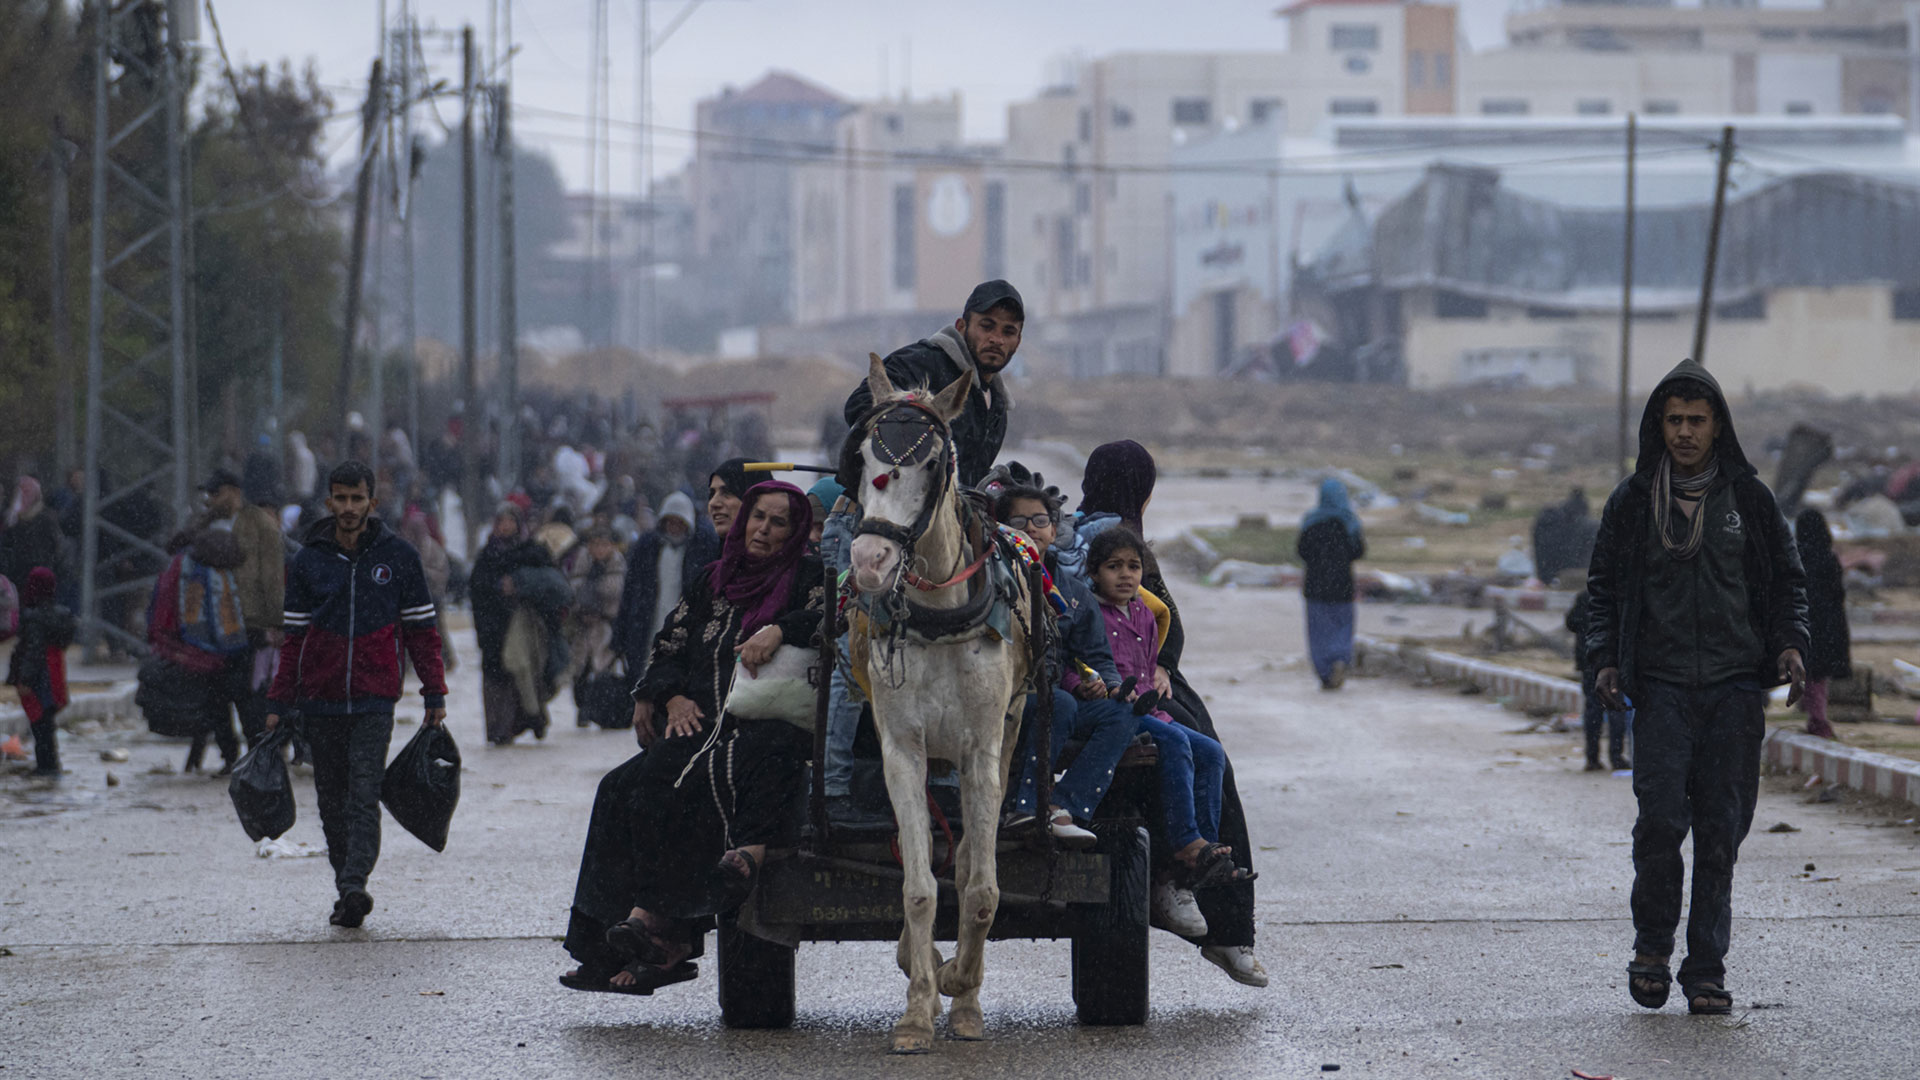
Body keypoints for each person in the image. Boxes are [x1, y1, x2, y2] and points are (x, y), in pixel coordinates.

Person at [1585, 359, 1809, 1017]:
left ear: (1718, 427)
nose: (1684, 432)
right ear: (1661, 423)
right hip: (1660, 691)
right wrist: (1604, 659)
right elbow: (1604, 590)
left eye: (1697, 420)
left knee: (1719, 834)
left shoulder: (1751, 501)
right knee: (1659, 823)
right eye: (1674, 420)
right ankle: (1652, 948)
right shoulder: (1632, 502)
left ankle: (1705, 969)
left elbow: (1789, 584)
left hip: (1736, 691)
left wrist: (1792, 645)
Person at [560, 482, 822, 994]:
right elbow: (668, 645)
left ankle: (662, 933)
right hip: (699, 722)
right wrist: (670, 695)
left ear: (794, 534)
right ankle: (599, 949)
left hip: (760, 727)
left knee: (668, 782)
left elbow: (832, 621)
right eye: (758, 518)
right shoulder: (713, 580)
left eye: (778, 523)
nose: (764, 531)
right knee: (615, 789)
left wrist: (782, 630)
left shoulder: (810, 579)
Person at [1063, 439, 1268, 988]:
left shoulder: (1078, 529)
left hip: (1135, 674)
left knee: (1192, 743)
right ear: (1142, 489)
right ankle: (1221, 923)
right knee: (1204, 752)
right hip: (1116, 682)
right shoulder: (1114, 539)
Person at [266, 461, 448, 930]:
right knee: (330, 798)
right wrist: (278, 702)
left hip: (374, 699)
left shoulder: (399, 558)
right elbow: (294, 640)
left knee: (363, 794)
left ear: (372, 501)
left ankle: (354, 884)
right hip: (319, 701)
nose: (348, 507)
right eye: (340, 498)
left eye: (356, 498)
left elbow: (422, 631)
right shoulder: (307, 561)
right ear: (329, 502)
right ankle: (345, 885)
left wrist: (434, 692)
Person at [1084, 526, 1252, 896]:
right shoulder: (1088, 613)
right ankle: (1185, 840)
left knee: (1210, 751)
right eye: (1114, 566)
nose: (1126, 575)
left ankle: (1204, 849)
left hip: (1149, 710)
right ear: (1094, 571)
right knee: (1176, 742)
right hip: (1113, 712)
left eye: (1133, 566)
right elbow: (1074, 665)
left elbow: (1147, 668)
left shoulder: (1145, 613)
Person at [994, 486, 1135, 849]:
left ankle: (1063, 806)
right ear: (1001, 528)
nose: (1031, 528)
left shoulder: (1073, 591)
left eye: (1040, 520)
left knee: (1120, 713)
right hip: (1001, 700)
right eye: (1019, 521)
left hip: (1058, 697)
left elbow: (1097, 657)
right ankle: (1024, 808)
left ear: (1054, 530)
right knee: (1061, 703)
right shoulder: (992, 583)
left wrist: (1105, 683)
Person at [842, 280, 1023, 490]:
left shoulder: (998, 405)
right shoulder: (921, 362)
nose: (997, 339)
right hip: (890, 505)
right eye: (986, 326)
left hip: (956, 517)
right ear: (961, 327)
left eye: (1008, 332)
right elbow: (860, 404)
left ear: (1017, 342)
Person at [148, 529, 251, 774]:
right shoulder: (231, 563)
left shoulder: (181, 566)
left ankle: (225, 758)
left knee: (215, 709)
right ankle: (258, 760)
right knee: (245, 706)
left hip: (200, 651)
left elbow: (164, 609)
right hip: (240, 642)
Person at [201, 467, 285, 751]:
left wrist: (275, 621)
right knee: (217, 694)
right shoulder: (205, 525)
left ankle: (259, 754)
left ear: (234, 493)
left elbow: (271, 578)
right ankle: (231, 757)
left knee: (248, 693)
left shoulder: (258, 526)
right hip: (212, 627)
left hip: (248, 625)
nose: (210, 499)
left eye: (216, 492)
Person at [469, 505, 558, 745]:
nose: (506, 527)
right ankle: (499, 729)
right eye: (502, 522)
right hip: (492, 627)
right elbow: (478, 590)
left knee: (522, 674)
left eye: (511, 521)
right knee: (495, 679)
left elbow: (549, 585)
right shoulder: (487, 555)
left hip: (524, 626)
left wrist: (520, 586)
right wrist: (498, 590)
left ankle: (526, 720)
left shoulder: (532, 552)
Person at [612, 489, 719, 684]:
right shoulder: (648, 548)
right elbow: (630, 592)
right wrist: (620, 637)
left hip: (684, 625)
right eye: (670, 521)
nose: (674, 527)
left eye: (680, 522)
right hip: (647, 622)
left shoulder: (702, 549)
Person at [1297, 478, 1366, 690]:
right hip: (1342, 586)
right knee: (1342, 626)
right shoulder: (1349, 522)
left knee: (1319, 631)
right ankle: (1340, 659)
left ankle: (1325, 673)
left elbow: (1301, 551)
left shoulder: (1311, 522)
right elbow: (1358, 551)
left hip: (1316, 587)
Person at [8, 568, 74, 777]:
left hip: (38, 675)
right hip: (54, 670)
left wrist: (24, 679)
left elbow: (32, 650)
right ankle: (50, 764)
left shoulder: (33, 617)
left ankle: (46, 767)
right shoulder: (62, 616)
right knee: (47, 722)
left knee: (39, 723)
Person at [1795, 507, 1850, 740]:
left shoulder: (1795, 556)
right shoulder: (1828, 558)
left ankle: (1811, 712)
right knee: (1818, 676)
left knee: (1804, 670)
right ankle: (1817, 718)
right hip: (1827, 626)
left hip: (1802, 623)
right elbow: (1837, 593)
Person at [565, 525, 628, 727]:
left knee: (604, 670)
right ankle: (582, 709)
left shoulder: (618, 565)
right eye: (595, 545)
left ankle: (601, 711)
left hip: (606, 626)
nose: (599, 549)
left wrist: (594, 594)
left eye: (603, 545)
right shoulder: (583, 564)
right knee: (580, 670)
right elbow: (573, 589)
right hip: (582, 627)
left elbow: (615, 590)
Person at [1565, 588, 1630, 772]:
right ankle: (1616, 757)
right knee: (1616, 707)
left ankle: (1592, 758)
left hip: (1589, 662)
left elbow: (1571, 623)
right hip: (1614, 661)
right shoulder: (1618, 597)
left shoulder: (1585, 597)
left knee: (1593, 709)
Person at [3, 477, 66, 593]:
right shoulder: (12, 518)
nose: (24, 496)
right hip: (21, 575)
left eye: (27, 492)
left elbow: (58, 546)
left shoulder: (45, 517)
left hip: (36, 574)